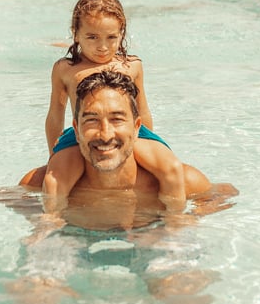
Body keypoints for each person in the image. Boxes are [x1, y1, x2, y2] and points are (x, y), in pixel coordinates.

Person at [35, 0, 189, 214]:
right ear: (76, 34)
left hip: (131, 133)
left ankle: (175, 220)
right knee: (53, 181)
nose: (103, 47)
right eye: (92, 37)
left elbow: (142, 109)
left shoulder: (132, 66)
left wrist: (145, 144)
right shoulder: (65, 70)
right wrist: (54, 155)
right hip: (81, 135)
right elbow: (55, 114)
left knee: (172, 168)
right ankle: (51, 225)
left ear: (121, 34)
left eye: (111, 38)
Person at [20, 70, 236, 224]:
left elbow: (225, 193)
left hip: (150, 241)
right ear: (75, 130)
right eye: (92, 120)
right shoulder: (43, 183)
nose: (105, 135)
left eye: (117, 119)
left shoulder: (179, 180)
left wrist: (189, 218)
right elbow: (10, 199)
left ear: (137, 127)